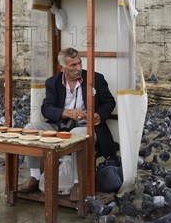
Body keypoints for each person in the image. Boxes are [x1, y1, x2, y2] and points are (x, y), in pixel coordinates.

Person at [18, 47, 118, 200]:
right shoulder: (53, 82)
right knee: (29, 129)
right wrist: (65, 113)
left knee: (77, 135)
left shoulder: (96, 79)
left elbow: (109, 102)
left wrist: (99, 115)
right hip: (60, 127)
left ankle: (78, 183)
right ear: (62, 67)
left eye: (79, 63)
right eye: (73, 65)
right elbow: (46, 109)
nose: (78, 68)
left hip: (89, 129)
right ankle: (34, 177)